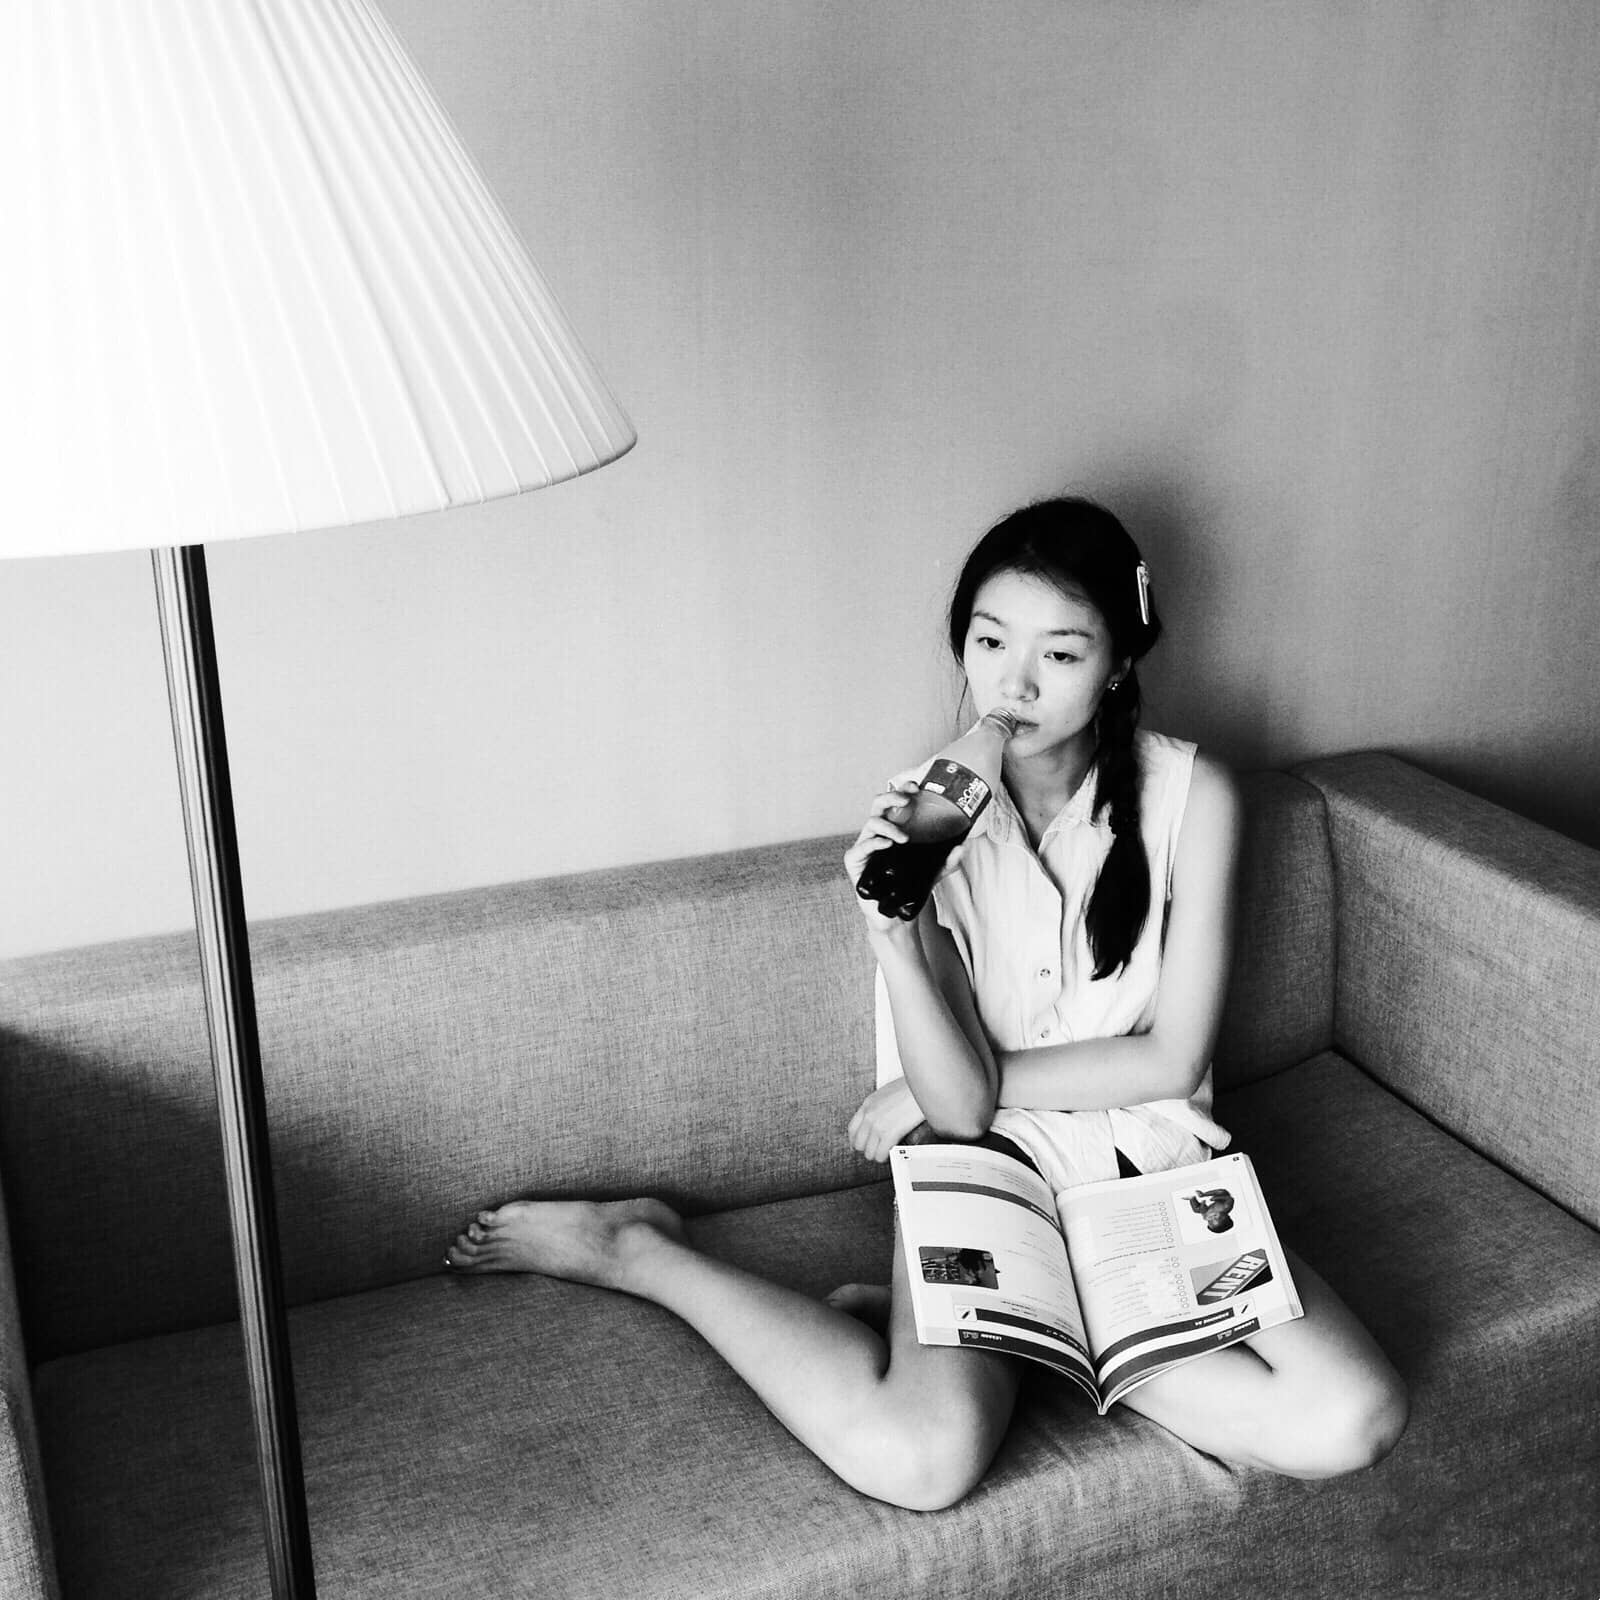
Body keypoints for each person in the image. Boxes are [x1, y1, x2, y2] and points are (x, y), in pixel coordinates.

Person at [444, 495, 1408, 1509]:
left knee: (1352, 1416)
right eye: (990, 642)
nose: (1014, 684)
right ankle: (640, 1251)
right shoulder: (924, 817)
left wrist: (944, 1087)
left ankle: (1022, 1341)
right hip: (985, 1171)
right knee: (922, 1458)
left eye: (1060, 654)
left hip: (1150, 1174)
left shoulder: (1193, 796)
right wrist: (893, 936)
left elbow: (1169, 1060)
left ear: (1120, 664)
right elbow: (959, 1111)